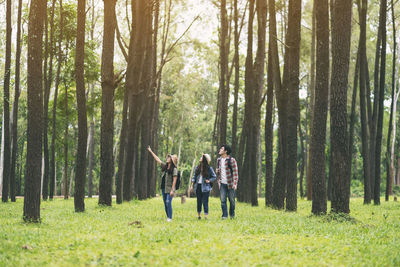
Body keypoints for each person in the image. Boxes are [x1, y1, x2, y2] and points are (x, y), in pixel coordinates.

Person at [147, 146, 178, 222]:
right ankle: (168, 217)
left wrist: (172, 190)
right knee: (165, 203)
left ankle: (170, 217)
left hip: (170, 189)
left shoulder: (174, 169)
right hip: (164, 188)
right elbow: (157, 159)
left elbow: (174, 180)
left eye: (169, 158)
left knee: (168, 202)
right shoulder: (165, 167)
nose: (167, 158)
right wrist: (151, 151)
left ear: (172, 160)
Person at [190, 154, 216, 220]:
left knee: (205, 202)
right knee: (199, 201)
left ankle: (206, 216)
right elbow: (194, 177)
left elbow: (214, 176)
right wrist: (192, 185)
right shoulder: (197, 167)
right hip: (198, 186)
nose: (200, 158)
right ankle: (199, 215)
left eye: (202, 157)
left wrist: (209, 180)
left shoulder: (209, 168)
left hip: (206, 187)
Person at [216, 144, 239, 219]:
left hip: (230, 183)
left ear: (225, 151)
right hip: (222, 183)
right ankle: (224, 216)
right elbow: (219, 172)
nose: (220, 150)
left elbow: (235, 173)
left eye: (221, 149)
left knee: (232, 201)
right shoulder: (218, 160)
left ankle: (232, 215)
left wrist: (235, 183)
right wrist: (218, 175)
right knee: (223, 200)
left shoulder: (232, 160)